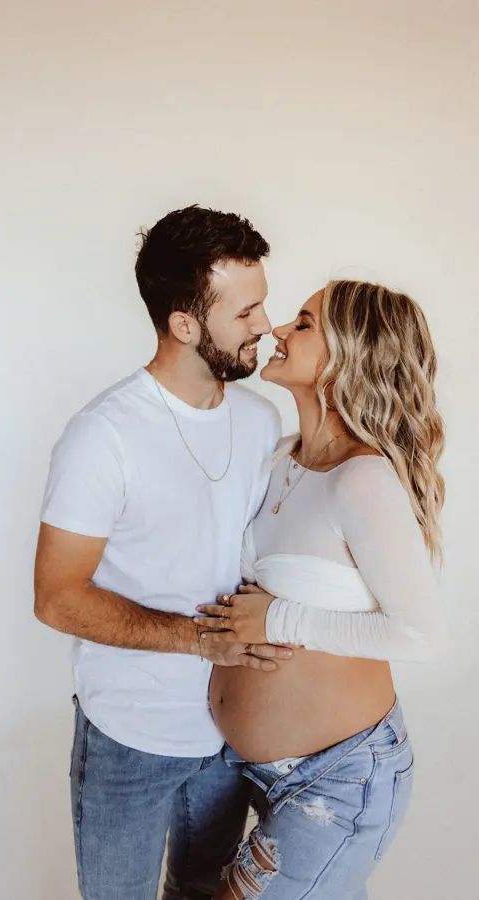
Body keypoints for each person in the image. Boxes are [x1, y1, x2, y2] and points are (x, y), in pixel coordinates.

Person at [34, 205, 293, 899]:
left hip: (229, 728)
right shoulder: (103, 436)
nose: (266, 325)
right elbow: (58, 597)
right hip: (129, 735)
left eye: (262, 305)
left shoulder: (262, 418)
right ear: (184, 324)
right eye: (245, 313)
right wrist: (199, 640)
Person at [196, 280, 445, 899]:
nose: (277, 329)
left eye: (303, 324)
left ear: (349, 353)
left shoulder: (362, 480)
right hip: (241, 767)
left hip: (338, 778)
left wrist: (279, 621)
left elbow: (420, 632)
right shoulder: (281, 457)